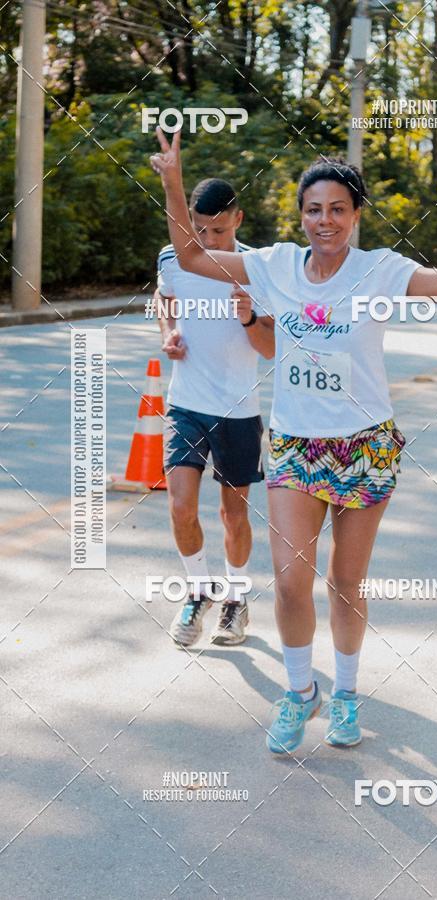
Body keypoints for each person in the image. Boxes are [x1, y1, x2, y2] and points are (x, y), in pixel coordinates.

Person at [150, 130, 437, 753]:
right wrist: (174, 185)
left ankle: (346, 696)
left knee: (345, 583)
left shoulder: (380, 269)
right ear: (301, 215)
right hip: (295, 445)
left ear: (356, 214)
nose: (325, 220)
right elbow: (192, 258)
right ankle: (299, 691)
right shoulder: (277, 265)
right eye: (314, 209)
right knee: (290, 582)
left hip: (364, 446)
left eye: (338, 208)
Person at [156, 177, 274, 649]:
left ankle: (236, 599)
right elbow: (166, 298)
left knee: (233, 515)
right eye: (199, 230)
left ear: (238, 220)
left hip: (238, 411)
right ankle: (198, 591)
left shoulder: (258, 268)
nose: (207, 240)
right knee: (180, 506)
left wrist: (248, 317)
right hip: (185, 404)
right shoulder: (172, 258)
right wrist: (169, 332)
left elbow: (269, 347)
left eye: (219, 231)